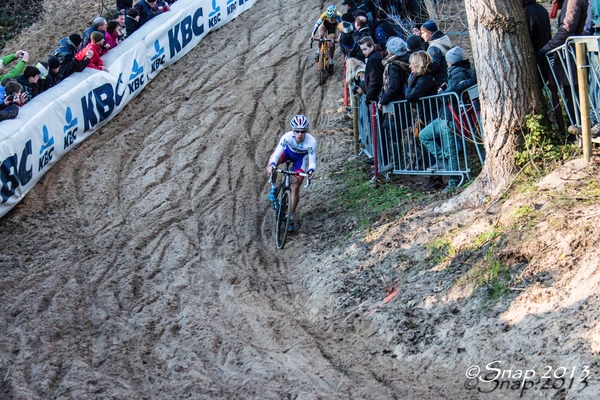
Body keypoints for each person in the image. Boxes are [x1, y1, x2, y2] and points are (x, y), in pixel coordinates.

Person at [419, 46, 473, 192]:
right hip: (443, 116)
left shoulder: (459, 73)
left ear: (450, 61)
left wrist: (443, 91)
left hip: (450, 117)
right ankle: (443, 159)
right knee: (424, 135)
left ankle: (454, 180)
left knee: (452, 149)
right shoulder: (455, 72)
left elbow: (452, 92)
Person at [538, 0, 588, 143]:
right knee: (572, 96)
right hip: (573, 58)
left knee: (574, 97)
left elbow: (567, 29)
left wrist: (545, 49)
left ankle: (577, 136)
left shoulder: (573, 1)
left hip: (574, 58)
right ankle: (576, 134)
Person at [267, 115, 317, 233]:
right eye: (297, 131)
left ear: (307, 131)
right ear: (293, 130)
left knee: (295, 187)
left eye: (303, 131)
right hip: (287, 153)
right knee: (271, 166)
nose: (300, 134)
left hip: (299, 159)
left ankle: (290, 217)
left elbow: (312, 162)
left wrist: (311, 171)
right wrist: (273, 164)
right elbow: (277, 154)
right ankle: (273, 187)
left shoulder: (311, 142)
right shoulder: (287, 137)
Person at [377, 36, 410, 172]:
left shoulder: (394, 65)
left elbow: (393, 87)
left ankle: (397, 162)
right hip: (401, 103)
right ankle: (402, 162)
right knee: (400, 133)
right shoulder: (406, 61)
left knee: (394, 133)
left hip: (396, 105)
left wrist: (383, 99)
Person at [420, 19, 452, 85]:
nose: (421, 36)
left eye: (423, 33)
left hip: (440, 81)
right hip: (447, 79)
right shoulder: (442, 42)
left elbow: (432, 67)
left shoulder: (434, 48)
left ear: (430, 33)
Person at [310, 5, 342, 69]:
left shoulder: (339, 16)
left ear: (335, 15)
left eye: (332, 17)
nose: (330, 19)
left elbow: (342, 29)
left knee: (331, 44)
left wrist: (338, 38)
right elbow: (316, 25)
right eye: (329, 17)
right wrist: (312, 34)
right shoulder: (324, 15)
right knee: (320, 36)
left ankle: (331, 61)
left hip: (333, 27)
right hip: (325, 24)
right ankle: (318, 50)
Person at [358, 36, 384, 104]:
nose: (363, 52)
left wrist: (369, 97)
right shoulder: (375, 57)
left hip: (377, 95)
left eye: (365, 49)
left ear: (372, 47)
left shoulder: (373, 60)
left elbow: (374, 80)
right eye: (362, 50)